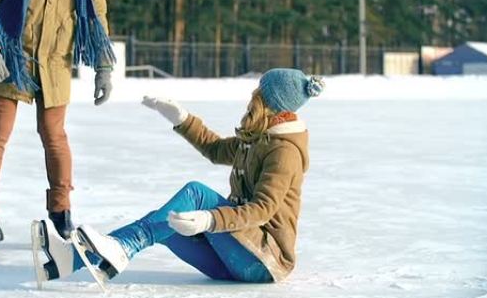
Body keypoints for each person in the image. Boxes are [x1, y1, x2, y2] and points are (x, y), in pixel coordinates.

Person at [36, 68, 324, 283]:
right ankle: (68, 260)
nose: (254, 96)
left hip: (263, 261)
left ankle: (121, 249)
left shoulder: (284, 151)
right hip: (236, 253)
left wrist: (211, 218)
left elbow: (263, 210)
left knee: (196, 194)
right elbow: (216, 149)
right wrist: (181, 119)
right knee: (165, 222)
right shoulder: (259, 137)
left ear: (274, 105)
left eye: (261, 93)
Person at [0, 0, 115, 250]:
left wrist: (104, 67)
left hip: (55, 60)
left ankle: (61, 210)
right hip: (11, 52)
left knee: (54, 134)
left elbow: (96, 14)